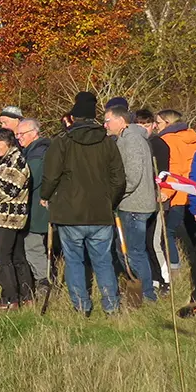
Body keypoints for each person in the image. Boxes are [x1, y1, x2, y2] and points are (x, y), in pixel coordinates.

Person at [41, 91, 126, 316]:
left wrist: (45, 195)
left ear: (74, 116)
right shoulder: (108, 143)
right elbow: (119, 179)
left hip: (70, 213)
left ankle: (81, 306)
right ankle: (111, 306)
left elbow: (50, 176)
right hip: (100, 212)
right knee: (104, 261)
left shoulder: (63, 142)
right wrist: (110, 201)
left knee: (74, 262)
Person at [104, 105, 158, 302]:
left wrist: (116, 193)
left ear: (121, 121)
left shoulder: (132, 140)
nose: (105, 124)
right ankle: (139, 290)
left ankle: (146, 294)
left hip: (134, 205)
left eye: (108, 120)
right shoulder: (127, 138)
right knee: (128, 249)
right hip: (132, 203)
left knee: (134, 251)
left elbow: (133, 175)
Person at [0, 129, 33, 309]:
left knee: (3, 258)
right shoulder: (6, 161)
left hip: (8, 217)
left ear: (8, 142)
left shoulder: (15, 160)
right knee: (17, 256)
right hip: (9, 216)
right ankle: (26, 296)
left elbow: (9, 190)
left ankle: (10, 299)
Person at [156, 110, 196, 279]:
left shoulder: (167, 141)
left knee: (167, 233)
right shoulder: (194, 138)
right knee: (195, 232)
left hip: (178, 194)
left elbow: (173, 170)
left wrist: (166, 192)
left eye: (159, 122)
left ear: (168, 123)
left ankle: (174, 271)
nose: (156, 126)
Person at [135, 108, 171, 291]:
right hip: (140, 200)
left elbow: (165, 172)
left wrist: (163, 191)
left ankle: (165, 279)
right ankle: (153, 278)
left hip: (158, 198)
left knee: (153, 241)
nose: (143, 129)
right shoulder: (134, 143)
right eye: (139, 125)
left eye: (147, 125)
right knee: (142, 242)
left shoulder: (158, 144)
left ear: (153, 126)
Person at [16, 119, 51, 295]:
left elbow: (30, 179)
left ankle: (43, 283)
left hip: (37, 208)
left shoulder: (37, 154)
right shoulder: (33, 150)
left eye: (21, 134)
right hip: (35, 206)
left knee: (33, 246)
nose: (18, 137)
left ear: (33, 133)